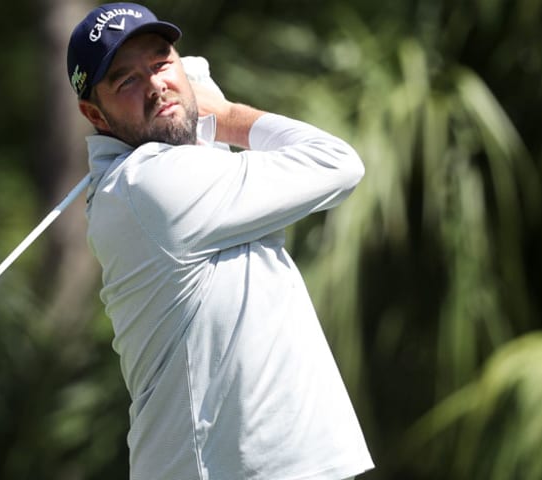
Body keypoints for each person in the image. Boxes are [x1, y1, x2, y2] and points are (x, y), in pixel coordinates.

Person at [66, 3, 374, 479]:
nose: (153, 85)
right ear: (94, 114)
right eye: (125, 80)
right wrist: (223, 113)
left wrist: (182, 90)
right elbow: (338, 163)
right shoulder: (150, 187)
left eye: (161, 61)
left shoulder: (154, 176)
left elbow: (190, 141)